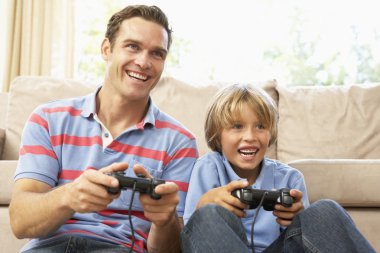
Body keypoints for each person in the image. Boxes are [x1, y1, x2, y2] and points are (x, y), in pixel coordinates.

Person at [9, 5, 198, 253]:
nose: (143, 62)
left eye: (157, 53)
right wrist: (69, 196)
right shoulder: (48, 120)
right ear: (106, 49)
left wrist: (164, 221)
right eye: (133, 46)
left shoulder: (180, 143)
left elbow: (168, 250)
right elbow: (20, 222)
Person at [181, 84, 376, 253]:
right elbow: (192, 236)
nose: (250, 136)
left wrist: (299, 218)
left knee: (325, 210)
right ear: (217, 135)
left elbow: (305, 240)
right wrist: (204, 204)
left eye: (260, 126)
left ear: (271, 133)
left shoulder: (290, 179)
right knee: (209, 215)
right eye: (237, 126)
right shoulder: (208, 168)